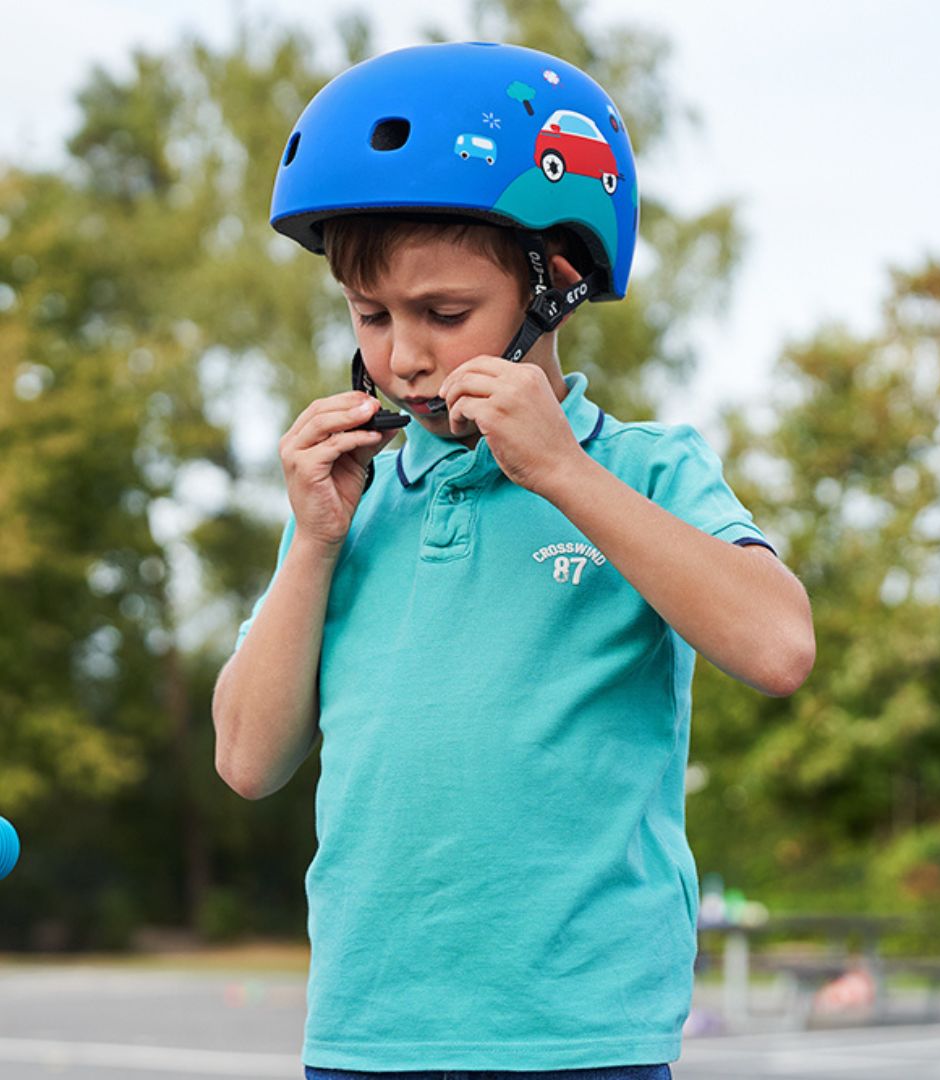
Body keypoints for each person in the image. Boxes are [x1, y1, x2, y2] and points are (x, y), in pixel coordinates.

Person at [212, 41, 815, 1080]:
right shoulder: (345, 502)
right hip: (368, 1037)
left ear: (559, 281)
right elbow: (248, 761)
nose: (404, 356)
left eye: (444, 315)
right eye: (372, 317)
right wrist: (312, 541)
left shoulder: (642, 471)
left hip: (582, 1041)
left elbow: (778, 648)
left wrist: (563, 474)